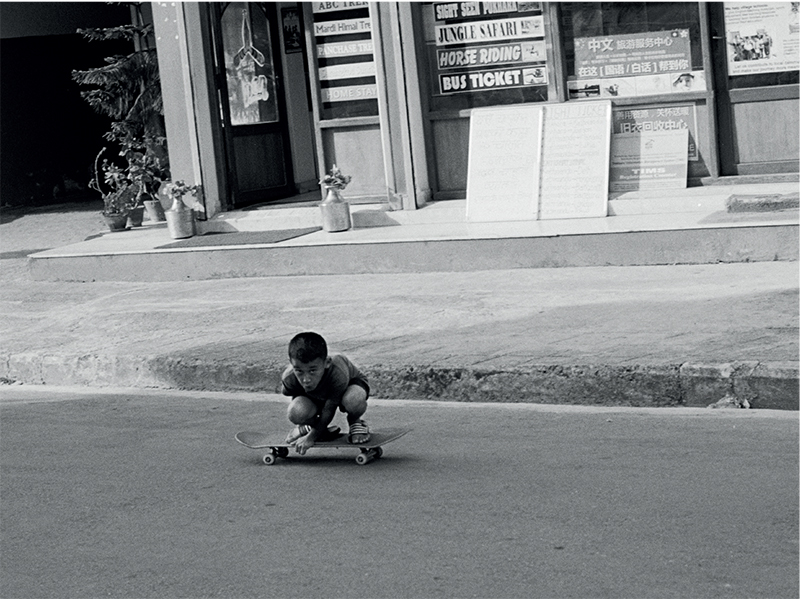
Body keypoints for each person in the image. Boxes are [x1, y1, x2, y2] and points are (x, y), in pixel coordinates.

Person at [280, 331, 370, 454]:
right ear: (291, 363)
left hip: (348, 387)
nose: (306, 379)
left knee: (353, 400)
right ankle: (312, 427)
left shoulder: (338, 372)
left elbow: (329, 408)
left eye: (312, 370)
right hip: (318, 396)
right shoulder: (289, 378)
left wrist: (311, 437)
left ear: (327, 363)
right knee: (295, 412)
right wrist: (306, 420)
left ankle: (355, 422)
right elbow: (292, 396)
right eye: (299, 371)